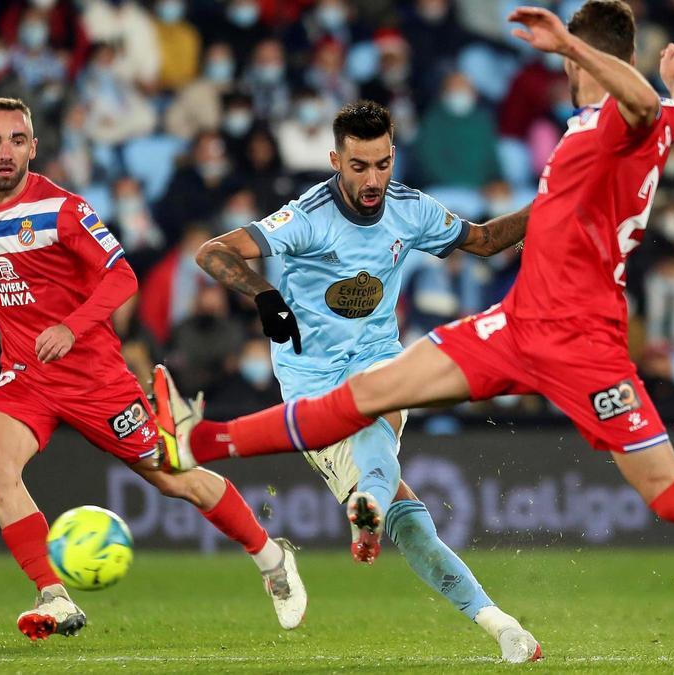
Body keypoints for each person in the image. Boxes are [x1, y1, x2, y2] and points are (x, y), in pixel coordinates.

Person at [164, 4, 674, 660]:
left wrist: (595, 55)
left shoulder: (618, 120)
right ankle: (204, 438)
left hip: (587, 347)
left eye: (568, 59)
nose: (560, 69)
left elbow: (649, 106)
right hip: (516, 323)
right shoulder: (643, 125)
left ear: (582, 58)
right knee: (367, 395)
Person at [191, 100, 540, 664]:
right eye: (359, 167)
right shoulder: (307, 216)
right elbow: (214, 251)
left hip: (376, 356)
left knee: (384, 407)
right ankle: (400, 533)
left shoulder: (409, 209)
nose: (372, 179)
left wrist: (551, 203)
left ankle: (492, 619)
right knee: (413, 526)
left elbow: (483, 240)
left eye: (382, 164)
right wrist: (265, 294)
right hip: (311, 383)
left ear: (393, 157)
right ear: (336, 160)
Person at [0, 97, 305, 641]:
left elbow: (122, 277)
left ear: (33, 148)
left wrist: (72, 326)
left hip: (95, 378)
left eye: (17, 140)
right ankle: (54, 595)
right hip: (26, 374)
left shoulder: (64, 209)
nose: (6, 152)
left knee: (173, 478)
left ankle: (269, 554)